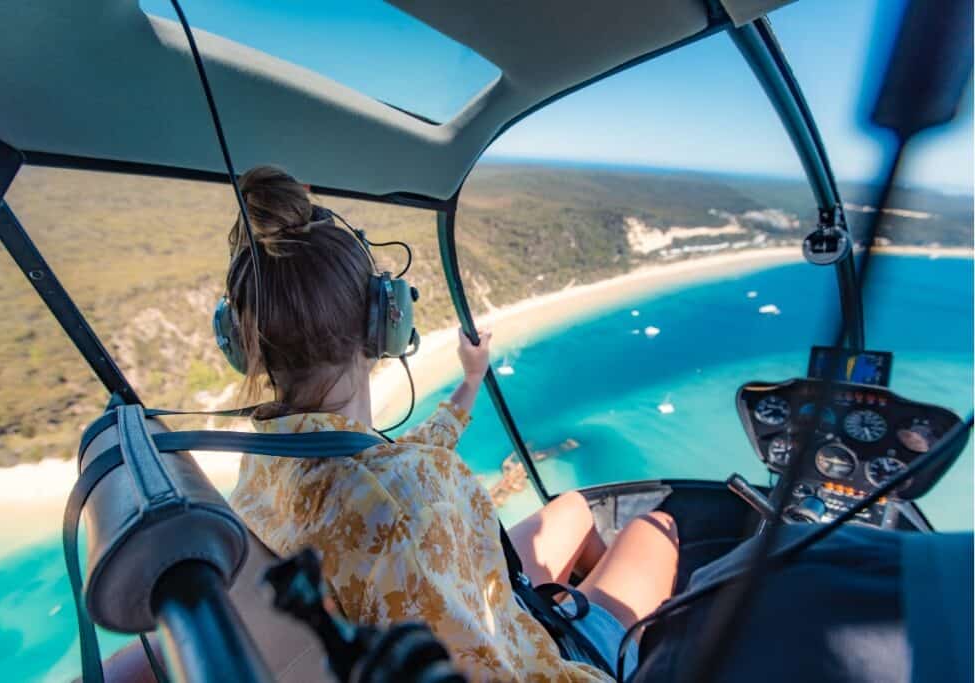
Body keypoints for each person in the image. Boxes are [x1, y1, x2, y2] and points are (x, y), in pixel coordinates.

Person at [119, 165, 668, 682]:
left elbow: (401, 461)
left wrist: (469, 383)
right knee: (656, 533)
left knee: (571, 509)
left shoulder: (271, 459)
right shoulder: (405, 499)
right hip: (518, 654)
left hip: (468, 604)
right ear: (388, 322)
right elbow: (412, 495)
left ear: (243, 344)